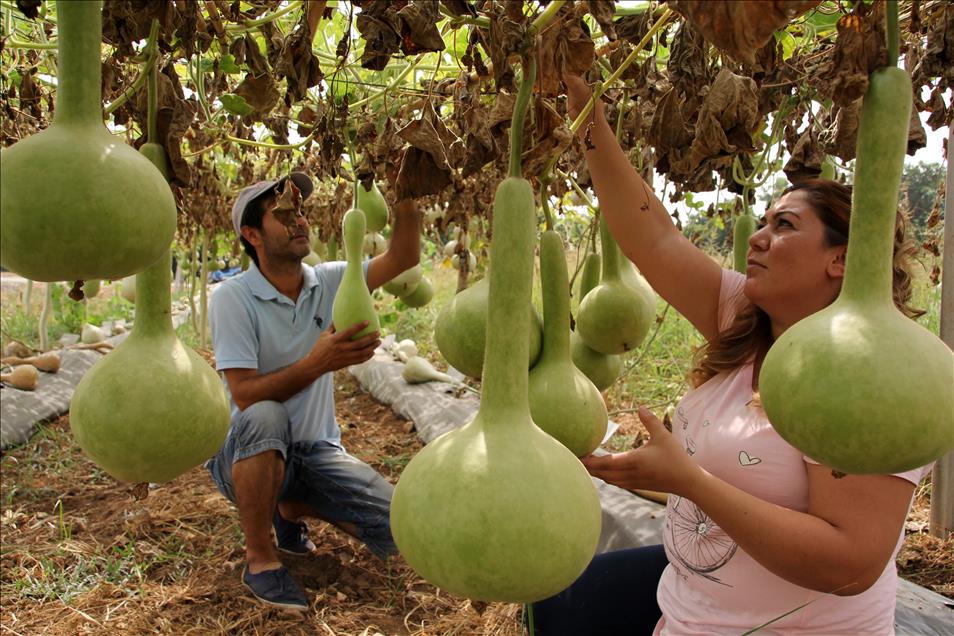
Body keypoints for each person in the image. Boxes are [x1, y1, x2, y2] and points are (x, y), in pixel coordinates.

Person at [529, 76, 933, 635]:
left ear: (842, 258)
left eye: (784, 226)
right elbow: (653, 238)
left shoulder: (872, 373)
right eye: (762, 222)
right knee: (559, 603)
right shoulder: (747, 316)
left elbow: (850, 564)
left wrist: (688, 480)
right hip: (687, 614)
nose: (758, 239)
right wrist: (588, 115)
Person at [205, 172, 421, 611]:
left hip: (317, 451)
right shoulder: (233, 297)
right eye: (284, 213)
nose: (300, 220)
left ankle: (291, 506)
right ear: (252, 234)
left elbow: (403, 256)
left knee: (403, 529)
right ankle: (261, 558)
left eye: (300, 211)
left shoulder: (333, 279)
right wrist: (317, 363)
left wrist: (409, 184)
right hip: (247, 454)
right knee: (266, 416)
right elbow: (245, 395)